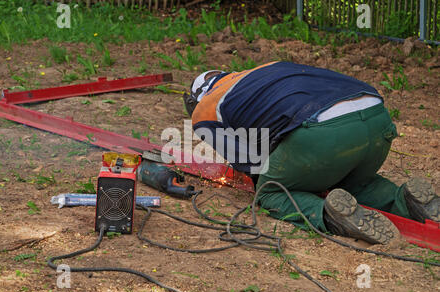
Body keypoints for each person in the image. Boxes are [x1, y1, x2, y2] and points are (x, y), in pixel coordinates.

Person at [183, 61, 439, 245]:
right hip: (375, 117)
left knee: (271, 191)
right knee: (355, 183)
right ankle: (406, 200)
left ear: (196, 98)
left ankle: (329, 216)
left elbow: (252, 163)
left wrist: (282, 174)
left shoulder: (205, 109)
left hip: (324, 133)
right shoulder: (263, 69)